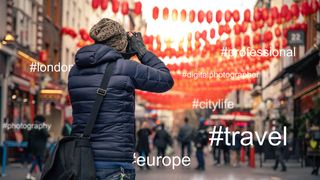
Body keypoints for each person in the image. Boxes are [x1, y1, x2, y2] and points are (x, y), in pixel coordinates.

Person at [68, 18, 174, 180]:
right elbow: (166, 80)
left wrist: (122, 55)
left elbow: (105, 72)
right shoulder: (126, 68)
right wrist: (142, 52)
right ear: (120, 43)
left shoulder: (75, 70)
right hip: (114, 162)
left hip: (81, 159)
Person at [26, 115, 50, 180]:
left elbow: (29, 136)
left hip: (33, 146)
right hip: (40, 146)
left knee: (38, 160)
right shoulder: (41, 126)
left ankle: (42, 173)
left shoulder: (33, 126)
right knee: (38, 159)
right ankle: (31, 173)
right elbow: (46, 134)